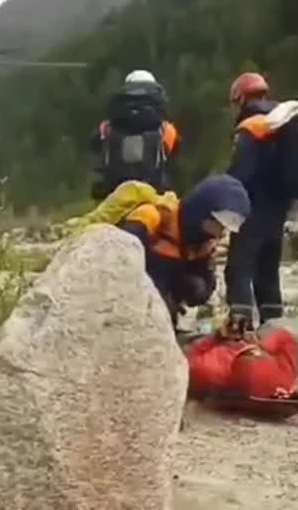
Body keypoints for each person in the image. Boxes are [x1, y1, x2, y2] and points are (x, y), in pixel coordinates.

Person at [222, 72, 298, 334]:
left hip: (252, 209)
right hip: (279, 209)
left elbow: (240, 174)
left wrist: (224, 203)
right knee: (268, 273)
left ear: (240, 98)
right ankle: (274, 331)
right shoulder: (285, 122)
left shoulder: (251, 127)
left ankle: (240, 331)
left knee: (238, 268)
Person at [117, 173, 251, 328]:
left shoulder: (204, 242)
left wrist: (196, 289)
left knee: (197, 288)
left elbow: (205, 287)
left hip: (164, 298)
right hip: (133, 293)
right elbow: (119, 255)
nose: (222, 233)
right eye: (220, 225)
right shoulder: (154, 216)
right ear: (204, 213)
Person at [89, 70, 182, 201]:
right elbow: (175, 163)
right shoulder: (167, 129)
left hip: (114, 196)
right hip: (154, 196)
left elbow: (94, 148)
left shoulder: (106, 127)